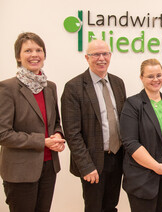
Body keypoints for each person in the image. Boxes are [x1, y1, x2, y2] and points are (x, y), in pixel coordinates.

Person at [0, 32, 65, 212]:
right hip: (20, 172)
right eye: (28, 50)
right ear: (18, 57)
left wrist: (58, 135)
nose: (34, 54)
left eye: (39, 50)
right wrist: (42, 141)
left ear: (44, 55)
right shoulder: (8, 88)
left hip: (48, 167)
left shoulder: (49, 86)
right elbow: (3, 134)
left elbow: (55, 122)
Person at [61, 39, 126, 212]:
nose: (101, 58)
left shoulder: (118, 83)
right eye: (95, 54)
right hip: (93, 161)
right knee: (94, 208)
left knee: (111, 206)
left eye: (105, 53)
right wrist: (86, 167)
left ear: (110, 56)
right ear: (87, 58)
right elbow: (72, 133)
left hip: (117, 157)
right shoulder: (73, 87)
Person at [119, 58, 162, 212]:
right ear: (141, 78)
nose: (156, 80)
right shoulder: (132, 104)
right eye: (150, 76)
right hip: (142, 179)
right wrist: (156, 167)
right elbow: (131, 143)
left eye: (159, 75)